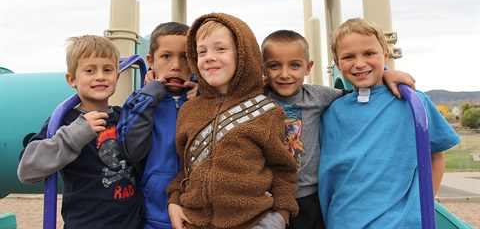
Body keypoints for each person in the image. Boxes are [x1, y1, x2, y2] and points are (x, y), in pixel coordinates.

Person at [261, 29, 417, 229]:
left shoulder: (319, 96)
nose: (285, 74)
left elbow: (360, 89)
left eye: (294, 65)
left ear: (308, 67)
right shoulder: (257, 102)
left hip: (310, 197)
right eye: (275, 66)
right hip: (269, 197)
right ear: (264, 69)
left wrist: (387, 74)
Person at [318, 18, 461, 228]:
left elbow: (436, 155)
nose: (359, 63)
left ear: (385, 55)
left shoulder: (413, 102)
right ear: (337, 63)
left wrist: (424, 205)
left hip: (399, 223)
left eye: (369, 53)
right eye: (349, 57)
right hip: (343, 220)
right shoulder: (331, 111)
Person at [167, 12, 299, 229]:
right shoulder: (188, 111)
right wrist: (174, 202)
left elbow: (283, 170)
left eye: (220, 48)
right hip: (193, 222)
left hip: (253, 222)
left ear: (243, 54)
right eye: (202, 51)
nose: (209, 56)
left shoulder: (268, 112)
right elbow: (185, 168)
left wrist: (281, 217)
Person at [17, 35, 144, 229]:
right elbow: (27, 171)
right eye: (90, 70)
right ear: (72, 80)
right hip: (86, 223)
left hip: (132, 223)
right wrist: (76, 134)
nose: (100, 76)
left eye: (107, 69)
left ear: (117, 77)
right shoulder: (64, 121)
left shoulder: (123, 117)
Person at [117, 22, 197, 229]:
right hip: (153, 215)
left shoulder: (204, 98)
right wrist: (149, 97)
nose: (176, 66)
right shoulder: (139, 101)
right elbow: (131, 151)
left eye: (185, 57)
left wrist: (205, 95)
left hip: (198, 214)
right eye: (166, 56)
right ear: (151, 61)